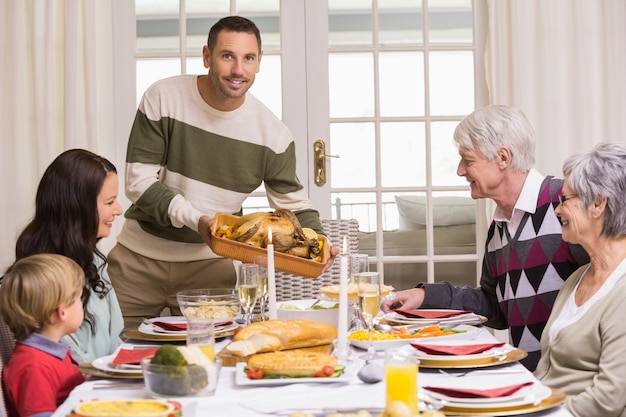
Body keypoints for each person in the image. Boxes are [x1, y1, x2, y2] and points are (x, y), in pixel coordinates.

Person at [107, 15, 338, 330]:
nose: (238, 70)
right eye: (227, 56)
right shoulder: (163, 97)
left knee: (210, 366)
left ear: (259, 63)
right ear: (207, 57)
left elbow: (295, 206)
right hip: (137, 261)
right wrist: (195, 219)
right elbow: (138, 182)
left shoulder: (273, 135)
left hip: (211, 268)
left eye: (248, 58)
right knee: (117, 357)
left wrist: (319, 243)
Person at [380, 105, 589, 370]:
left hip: (570, 383)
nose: (460, 171)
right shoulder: (499, 228)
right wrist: (425, 296)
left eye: (468, 160)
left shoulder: (564, 204)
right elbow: (495, 308)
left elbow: (609, 287)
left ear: (503, 158)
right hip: (528, 379)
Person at [534, 142, 626, 417]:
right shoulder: (577, 278)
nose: (557, 210)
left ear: (598, 203)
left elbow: (609, 397)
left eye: (565, 200)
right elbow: (546, 369)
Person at [15, 148, 124, 363]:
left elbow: (115, 340)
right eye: (110, 202)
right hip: (81, 387)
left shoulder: (91, 258)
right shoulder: (44, 275)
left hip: (106, 379)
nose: (119, 210)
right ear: (79, 207)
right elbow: (69, 359)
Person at [0, 254, 87, 417]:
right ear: (62, 312)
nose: (81, 304)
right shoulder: (34, 366)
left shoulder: (49, 354)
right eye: (78, 298)